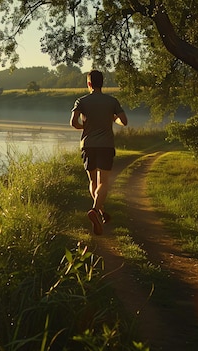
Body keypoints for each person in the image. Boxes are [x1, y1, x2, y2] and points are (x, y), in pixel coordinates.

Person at [70, 70, 128, 235]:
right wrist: (113, 119)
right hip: (106, 146)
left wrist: (85, 127)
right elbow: (124, 121)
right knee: (103, 182)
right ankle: (96, 210)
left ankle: (99, 211)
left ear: (89, 84)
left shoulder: (81, 101)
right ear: (102, 83)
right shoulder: (112, 101)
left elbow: (73, 123)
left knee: (92, 181)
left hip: (87, 145)